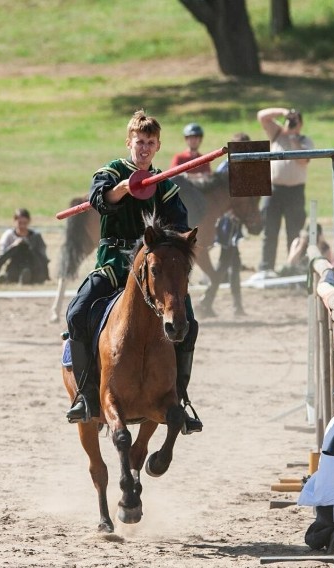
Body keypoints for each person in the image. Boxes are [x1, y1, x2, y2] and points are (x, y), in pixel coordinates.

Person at [65, 109, 202, 434]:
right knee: (77, 312)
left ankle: (180, 398)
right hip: (114, 263)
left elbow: (178, 229)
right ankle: (86, 395)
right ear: (130, 142)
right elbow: (101, 200)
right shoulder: (109, 173)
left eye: (150, 143)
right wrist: (125, 187)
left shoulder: (164, 186)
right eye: (139, 142)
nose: (143, 148)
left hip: (153, 269)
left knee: (189, 322)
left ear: (157, 147)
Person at [256, 107, 314, 275]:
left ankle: (293, 267)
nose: (291, 123)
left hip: (295, 191)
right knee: (269, 230)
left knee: (294, 231)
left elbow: (303, 160)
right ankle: (266, 268)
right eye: (290, 120)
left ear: (301, 124)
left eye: (295, 121)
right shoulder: (276, 134)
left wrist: (293, 136)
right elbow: (262, 116)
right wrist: (283, 112)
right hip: (274, 190)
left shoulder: (305, 141)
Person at [0, 209, 49, 284]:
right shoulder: (9, 235)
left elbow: (42, 256)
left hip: (32, 265)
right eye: (20, 223)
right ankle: (9, 276)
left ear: (29, 221)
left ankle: (21, 276)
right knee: (18, 247)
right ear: (14, 221)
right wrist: (14, 245)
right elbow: (2, 253)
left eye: (25, 223)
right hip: (14, 265)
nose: (22, 226)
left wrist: (28, 245)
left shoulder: (36, 236)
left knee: (25, 249)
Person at [198, 210, 245, 318]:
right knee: (225, 264)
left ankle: (236, 306)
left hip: (233, 221)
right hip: (230, 221)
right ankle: (206, 301)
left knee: (235, 264)